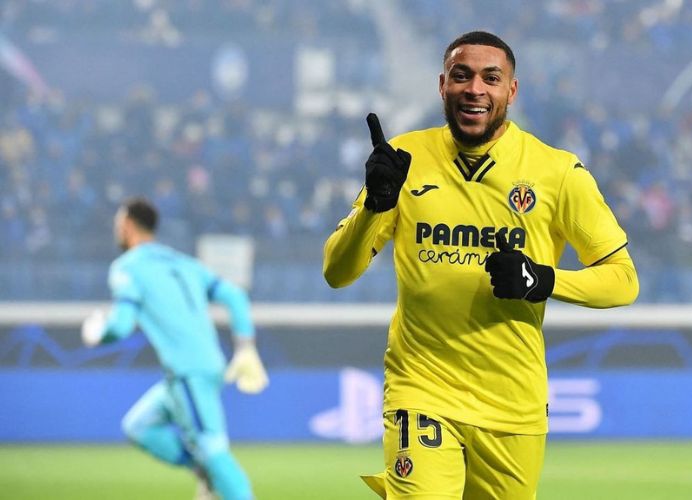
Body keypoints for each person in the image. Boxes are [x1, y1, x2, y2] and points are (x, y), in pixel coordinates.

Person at [323, 31, 639, 499]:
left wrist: (542, 279)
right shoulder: (404, 160)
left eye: (491, 78)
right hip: (422, 389)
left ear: (511, 91)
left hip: (513, 405)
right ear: (442, 85)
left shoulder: (557, 172)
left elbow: (623, 281)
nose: (475, 89)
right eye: (462, 76)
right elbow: (337, 272)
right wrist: (374, 205)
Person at [81, 196, 268, 500]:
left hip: (188, 373)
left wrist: (95, 332)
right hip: (197, 370)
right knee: (139, 427)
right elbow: (235, 296)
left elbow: (120, 326)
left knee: (214, 450)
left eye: (117, 224)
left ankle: (213, 471)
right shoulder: (184, 263)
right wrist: (245, 348)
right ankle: (203, 470)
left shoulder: (126, 268)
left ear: (127, 226)